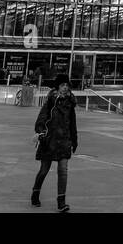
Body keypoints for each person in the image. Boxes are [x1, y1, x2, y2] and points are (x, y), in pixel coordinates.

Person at [32, 76, 78, 212]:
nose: (65, 87)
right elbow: (40, 120)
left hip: (64, 141)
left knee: (63, 171)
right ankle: (35, 192)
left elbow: (73, 124)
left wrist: (74, 140)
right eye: (62, 85)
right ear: (57, 86)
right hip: (49, 141)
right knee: (44, 170)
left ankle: (61, 202)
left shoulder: (70, 104)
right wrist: (41, 132)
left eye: (67, 85)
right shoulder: (51, 102)